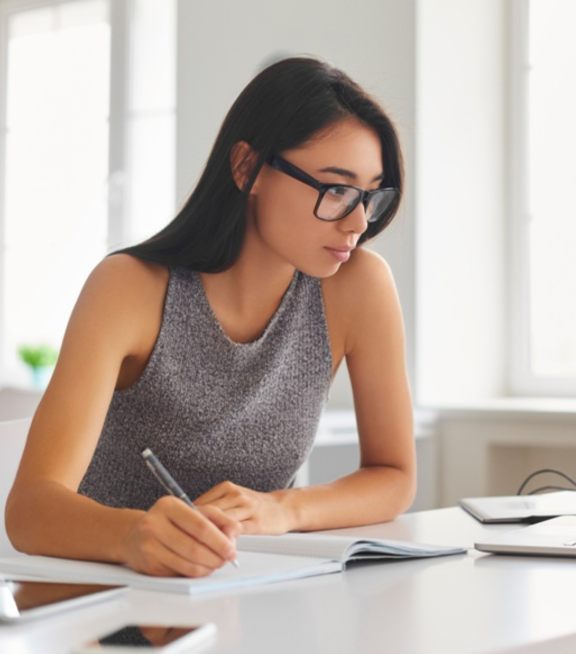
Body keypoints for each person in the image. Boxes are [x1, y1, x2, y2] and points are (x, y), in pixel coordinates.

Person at [5, 57, 415, 578]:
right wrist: (134, 535)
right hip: (109, 601)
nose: (358, 222)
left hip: (248, 595)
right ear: (247, 167)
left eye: (369, 195)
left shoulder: (359, 286)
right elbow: (29, 510)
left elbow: (394, 475)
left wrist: (283, 509)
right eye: (335, 189)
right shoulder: (129, 288)